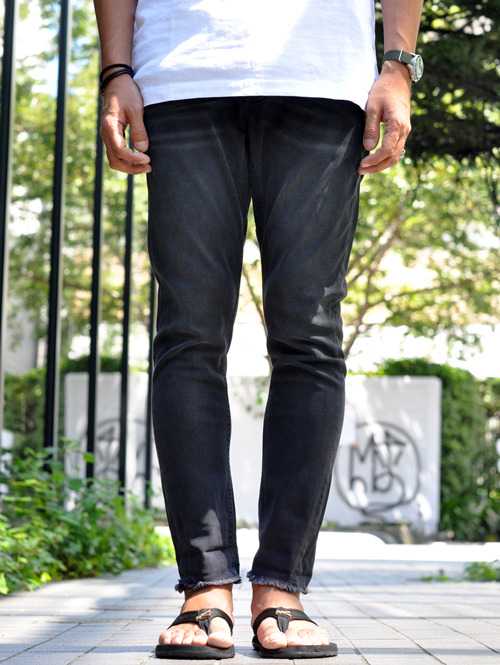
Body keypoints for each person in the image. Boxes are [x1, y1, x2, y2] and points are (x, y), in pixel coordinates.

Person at [94, 0, 423, 659]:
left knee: (310, 338)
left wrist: (398, 64)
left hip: (321, 75)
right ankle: (205, 586)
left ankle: (282, 588)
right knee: (188, 338)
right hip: (181, 72)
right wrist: (115, 70)